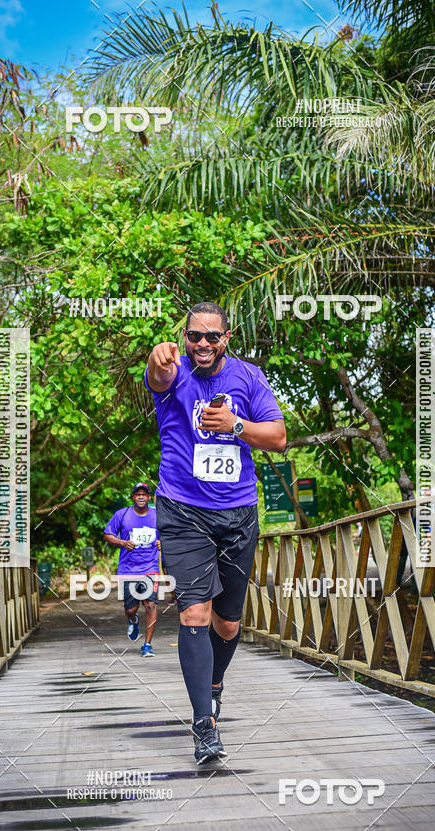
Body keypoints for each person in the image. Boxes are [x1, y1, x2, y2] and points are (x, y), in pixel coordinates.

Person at [145, 302, 286, 763]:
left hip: (237, 513)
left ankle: (216, 682)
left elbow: (279, 437)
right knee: (194, 615)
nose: (202, 344)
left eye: (211, 337)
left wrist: (236, 425)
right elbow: (158, 376)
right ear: (184, 338)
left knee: (228, 622)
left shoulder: (248, 378)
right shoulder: (175, 373)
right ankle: (203, 724)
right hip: (183, 512)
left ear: (226, 338)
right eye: (193, 337)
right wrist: (157, 357)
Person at [103, 483, 160, 657]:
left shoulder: (158, 515)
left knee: (150, 605)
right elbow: (107, 534)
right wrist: (121, 542)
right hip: (128, 569)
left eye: (144, 494)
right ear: (133, 497)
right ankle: (133, 620)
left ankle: (147, 645)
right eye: (138, 494)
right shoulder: (122, 514)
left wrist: (162, 542)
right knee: (130, 609)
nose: (141, 497)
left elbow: (170, 533)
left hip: (150, 567)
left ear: (149, 497)